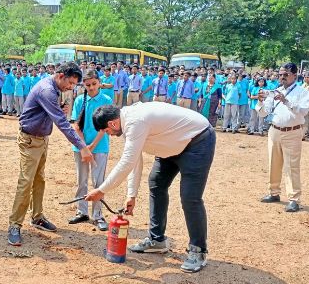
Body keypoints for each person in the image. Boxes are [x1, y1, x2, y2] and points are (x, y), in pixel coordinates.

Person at [84, 102, 216, 273]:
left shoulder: (135, 122)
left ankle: (198, 251)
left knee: (190, 197)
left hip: (197, 141)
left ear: (112, 123)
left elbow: (127, 162)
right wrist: (131, 195)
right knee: (156, 183)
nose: (110, 135)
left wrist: (101, 190)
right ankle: (157, 240)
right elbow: (135, 161)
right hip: (170, 145)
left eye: (107, 131)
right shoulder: (127, 124)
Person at [7, 62, 93, 246]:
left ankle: (37, 216)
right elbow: (62, 123)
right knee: (26, 182)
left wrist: (57, 108)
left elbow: (48, 112)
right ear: (61, 76)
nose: (71, 87)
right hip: (30, 140)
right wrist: (82, 147)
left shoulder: (55, 88)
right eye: (70, 83)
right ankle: (14, 224)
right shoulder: (47, 90)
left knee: (39, 179)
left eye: (74, 85)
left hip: (41, 139)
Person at [258, 62, 309, 212]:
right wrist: (260, 101)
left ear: (294, 75)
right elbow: (263, 113)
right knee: (273, 163)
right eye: (280, 74)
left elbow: (303, 111)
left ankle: (294, 199)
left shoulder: (302, 92)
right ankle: (273, 192)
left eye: (285, 74)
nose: (282, 77)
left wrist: (285, 101)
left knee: (291, 165)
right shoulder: (275, 91)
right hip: (274, 130)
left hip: (292, 132)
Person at [68, 69, 112, 231]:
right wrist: (83, 147)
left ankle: (98, 215)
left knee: (98, 182)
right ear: (84, 85)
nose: (91, 87)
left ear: (99, 83)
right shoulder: (80, 100)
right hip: (80, 147)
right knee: (82, 180)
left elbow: (105, 127)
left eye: (94, 84)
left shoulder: (106, 99)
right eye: (88, 85)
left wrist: (91, 146)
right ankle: (82, 211)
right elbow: (76, 125)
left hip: (99, 146)